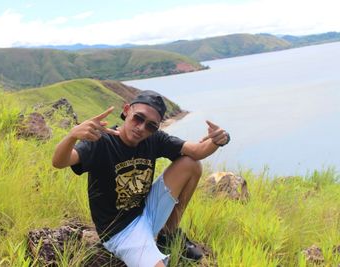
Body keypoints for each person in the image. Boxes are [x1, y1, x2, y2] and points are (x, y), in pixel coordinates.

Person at [52, 90, 230, 267]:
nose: (141, 128)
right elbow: (60, 162)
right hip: (121, 232)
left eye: (151, 126)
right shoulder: (102, 142)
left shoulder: (153, 139)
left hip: (147, 210)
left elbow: (197, 151)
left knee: (191, 164)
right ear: (126, 110)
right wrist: (72, 136)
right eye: (138, 118)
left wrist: (219, 140)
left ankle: (168, 234)